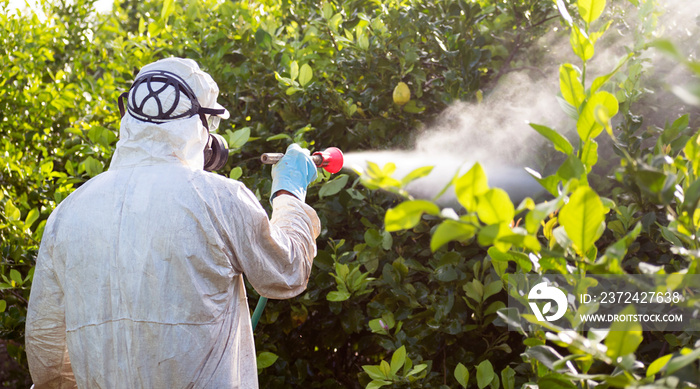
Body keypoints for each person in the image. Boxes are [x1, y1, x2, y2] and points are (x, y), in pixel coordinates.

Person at [25, 57, 321, 388]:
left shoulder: (67, 214)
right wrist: (289, 193)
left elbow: (46, 356)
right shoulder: (219, 199)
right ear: (201, 128)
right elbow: (288, 271)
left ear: (130, 117)